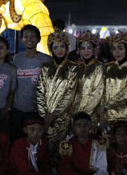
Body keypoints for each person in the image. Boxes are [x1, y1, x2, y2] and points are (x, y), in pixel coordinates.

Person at [37, 29, 78, 163]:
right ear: (50, 49)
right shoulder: (46, 67)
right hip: (45, 119)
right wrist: (44, 114)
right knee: (45, 152)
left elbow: (70, 94)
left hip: (64, 117)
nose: (59, 50)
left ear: (67, 48)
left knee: (62, 153)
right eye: (55, 47)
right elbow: (40, 91)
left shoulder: (73, 68)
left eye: (62, 46)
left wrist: (55, 114)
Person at [11, 25, 51, 140]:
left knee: (36, 141)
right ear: (21, 40)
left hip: (37, 110)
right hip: (18, 109)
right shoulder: (16, 58)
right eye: (26, 36)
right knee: (18, 140)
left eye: (33, 36)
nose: (29, 39)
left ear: (38, 39)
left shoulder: (46, 60)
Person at [100, 32, 127, 129]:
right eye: (114, 49)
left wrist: (106, 105)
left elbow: (126, 93)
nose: (117, 52)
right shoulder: (109, 67)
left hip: (124, 114)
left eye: (121, 48)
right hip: (107, 114)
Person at [72, 31, 105, 128]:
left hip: (91, 113)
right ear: (79, 50)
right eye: (83, 48)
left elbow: (98, 92)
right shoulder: (75, 66)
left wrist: (84, 112)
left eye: (89, 48)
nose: (86, 51)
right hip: (74, 111)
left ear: (94, 49)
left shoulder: (99, 67)